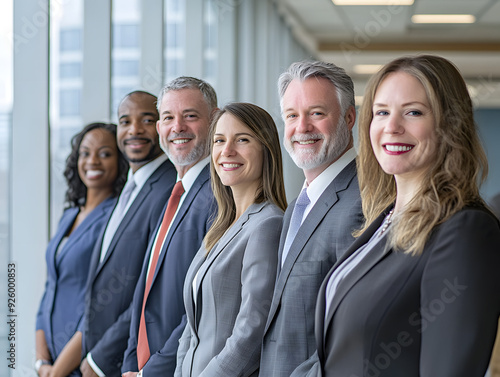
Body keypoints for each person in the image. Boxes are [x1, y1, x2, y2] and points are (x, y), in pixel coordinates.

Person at [314, 55, 500, 377]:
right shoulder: (382, 221)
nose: (391, 127)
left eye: (413, 112)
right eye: (382, 112)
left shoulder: (465, 231)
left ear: (449, 125)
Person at [259, 60, 363, 377]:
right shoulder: (296, 208)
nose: (302, 127)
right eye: (292, 116)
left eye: (316, 113)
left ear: (349, 117)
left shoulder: (362, 203)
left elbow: (354, 332)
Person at [111, 77, 218, 377]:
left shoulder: (218, 196)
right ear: (160, 128)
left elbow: (203, 308)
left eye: (191, 116)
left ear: (215, 120)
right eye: (169, 117)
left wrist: (152, 371)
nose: (178, 127)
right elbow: (144, 294)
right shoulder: (175, 193)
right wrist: (133, 364)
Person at [174, 102, 287, 377]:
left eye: (243, 140)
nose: (227, 151)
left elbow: (252, 328)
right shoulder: (220, 227)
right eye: (219, 141)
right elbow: (192, 328)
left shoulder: (267, 224)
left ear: (266, 149)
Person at [70, 91, 178, 377]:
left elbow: (151, 289)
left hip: (123, 361)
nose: (134, 130)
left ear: (161, 126)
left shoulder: (169, 189)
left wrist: (101, 359)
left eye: (147, 120)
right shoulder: (129, 186)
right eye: (125, 121)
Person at [35, 122, 128, 377]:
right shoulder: (69, 215)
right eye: (85, 153)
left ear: (120, 161)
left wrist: (58, 371)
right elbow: (50, 287)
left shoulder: (116, 218)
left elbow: (104, 302)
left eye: (105, 153)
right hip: (51, 361)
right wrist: (41, 362)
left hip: (81, 363)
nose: (92, 161)